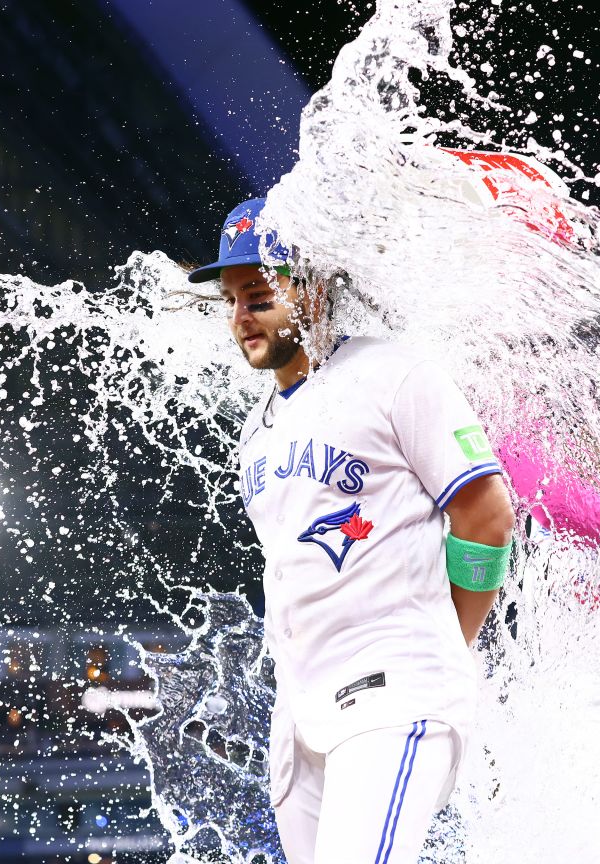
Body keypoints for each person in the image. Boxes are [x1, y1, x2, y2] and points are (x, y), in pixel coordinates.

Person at [187, 199, 515, 864]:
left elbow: (486, 514)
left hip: (394, 685)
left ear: (312, 289)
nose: (240, 317)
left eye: (257, 295)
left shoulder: (394, 373)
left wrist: (449, 643)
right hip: (302, 706)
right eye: (230, 300)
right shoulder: (257, 429)